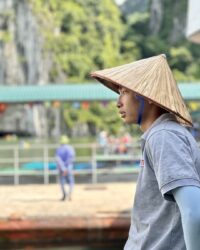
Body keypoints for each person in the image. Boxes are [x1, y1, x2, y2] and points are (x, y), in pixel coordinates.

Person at [90, 54, 200, 250]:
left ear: (147, 97)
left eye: (124, 92)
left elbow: (194, 211)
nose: (118, 102)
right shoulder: (159, 135)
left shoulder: (164, 136)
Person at [55, 135, 75, 201]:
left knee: (62, 182)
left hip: (61, 169)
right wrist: (67, 167)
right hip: (69, 167)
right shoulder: (70, 148)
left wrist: (63, 168)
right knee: (70, 182)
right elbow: (71, 158)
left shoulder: (58, 149)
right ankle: (70, 194)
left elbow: (58, 159)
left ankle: (64, 195)